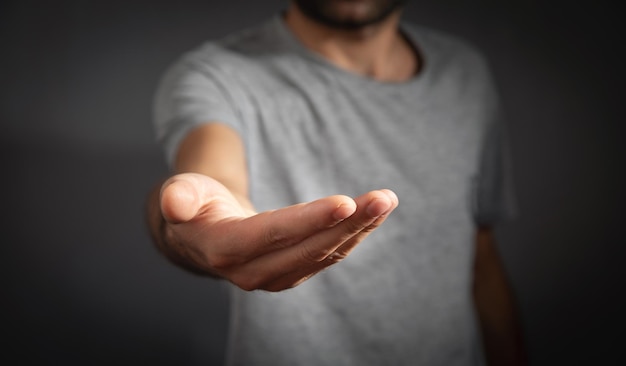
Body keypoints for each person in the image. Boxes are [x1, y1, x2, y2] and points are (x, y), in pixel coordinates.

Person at [146, 0, 527, 365]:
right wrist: (199, 225)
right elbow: (213, 178)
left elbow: (480, 252)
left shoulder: (464, 71)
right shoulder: (217, 74)